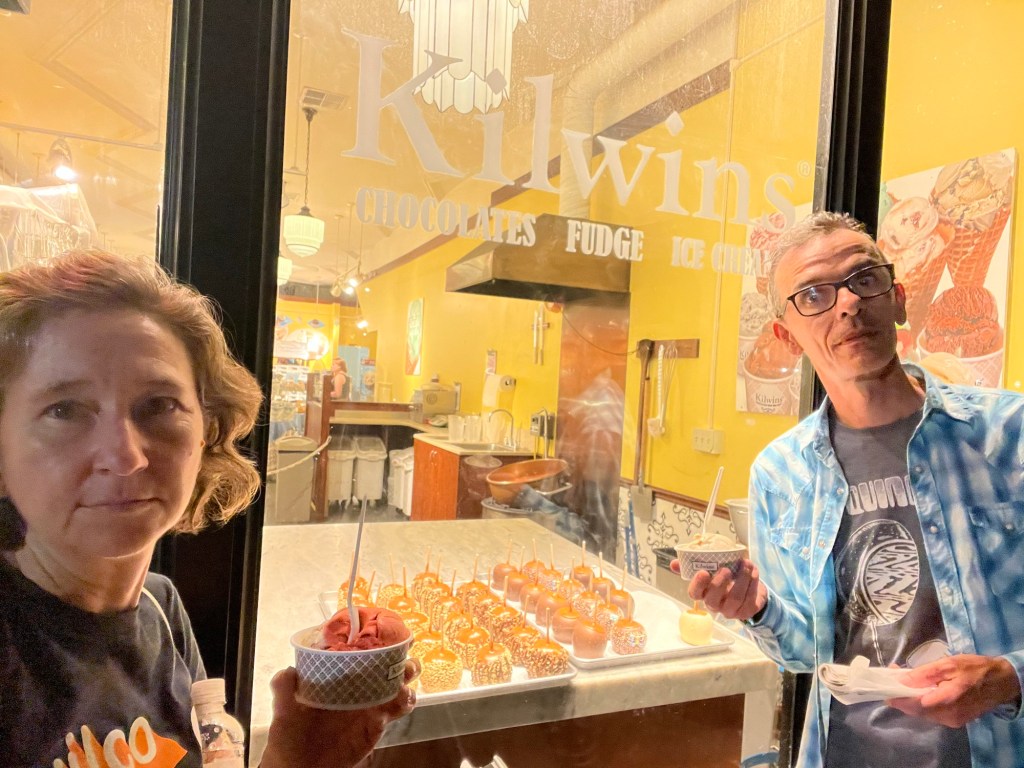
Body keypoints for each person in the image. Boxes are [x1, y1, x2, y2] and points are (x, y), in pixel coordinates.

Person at [0, 249, 417, 767]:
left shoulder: (160, 607)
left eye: (159, 405)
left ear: (207, 433)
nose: (125, 457)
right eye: (64, 410)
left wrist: (301, 755)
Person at [685, 212, 1024, 768]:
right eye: (813, 295)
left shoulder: (1009, 436)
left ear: (899, 299)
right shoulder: (781, 473)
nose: (847, 304)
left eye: (864, 279)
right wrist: (757, 608)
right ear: (786, 337)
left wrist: (1011, 678)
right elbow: (806, 649)